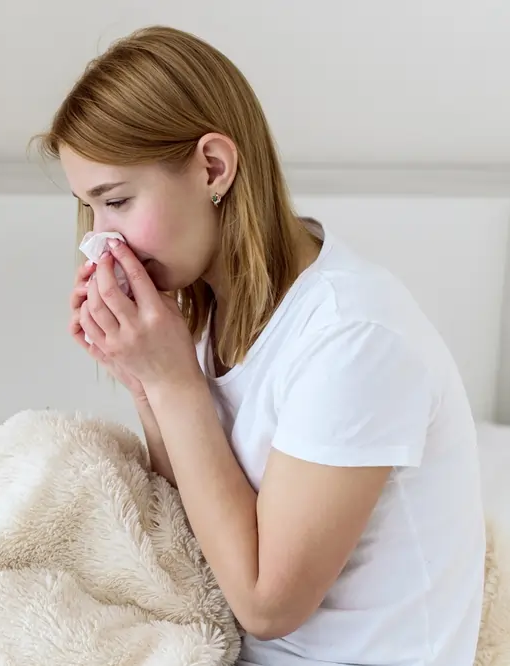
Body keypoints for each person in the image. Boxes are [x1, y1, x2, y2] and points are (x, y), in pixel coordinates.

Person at [33, 25, 487, 666]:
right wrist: (143, 378)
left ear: (213, 168)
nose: (103, 241)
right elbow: (199, 528)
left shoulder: (353, 338)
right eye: (91, 210)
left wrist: (171, 383)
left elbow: (268, 606)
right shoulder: (218, 310)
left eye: (118, 202)